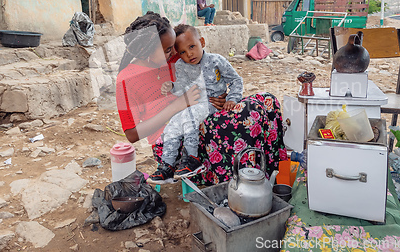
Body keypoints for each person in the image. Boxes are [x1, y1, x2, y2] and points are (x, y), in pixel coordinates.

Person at [116, 11, 287, 186]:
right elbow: (132, 134)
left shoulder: (177, 58)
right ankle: (245, 181)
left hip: (204, 114)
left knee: (267, 101)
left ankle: (272, 171)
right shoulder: (126, 80)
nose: (176, 53)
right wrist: (179, 104)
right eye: (169, 50)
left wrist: (224, 98)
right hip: (176, 139)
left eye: (174, 47)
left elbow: (210, 75)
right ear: (148, 54)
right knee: (249, 116)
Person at [154, 24, 243, 183]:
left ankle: (192, 160)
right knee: (173, 124)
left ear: (202, 42)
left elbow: (236, 80)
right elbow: (182, 88)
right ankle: (166, 166)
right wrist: (172, 87)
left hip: (212, 105)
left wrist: (231, 99)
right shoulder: (181, 66)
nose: (189, 54)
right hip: (193, 104)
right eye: (182, 52)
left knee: (190, 117)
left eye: (192, 47)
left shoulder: (216, 60)